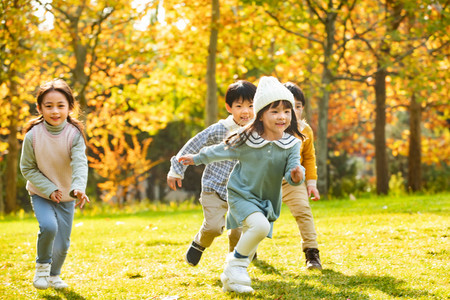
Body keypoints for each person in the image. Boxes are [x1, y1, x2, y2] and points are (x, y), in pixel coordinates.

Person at [179, 76, 306, 293]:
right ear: (261, 114)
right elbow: (220, 150)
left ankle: (232, 280)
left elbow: (292, 172)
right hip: (240, 194)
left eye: (287, 111)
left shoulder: (292, 143)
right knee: (260, 227)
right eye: (274, 111)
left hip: (265, 200)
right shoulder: (248, 138)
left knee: (255, 234)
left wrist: (296, 174)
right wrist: (196, 158)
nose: (282, 116)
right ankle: (234, 266)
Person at [167, 80, 256, 267]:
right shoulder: (220, 129)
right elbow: (195, 143)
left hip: (241, 192)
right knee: (214, 227)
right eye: (239, 106)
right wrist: (177, 169)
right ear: (229, 107)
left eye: (251, 105)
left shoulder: (258, 132)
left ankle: (237, 262)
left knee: (239, 231)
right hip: (214, 188)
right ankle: (199, 243)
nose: (245, 111)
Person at [20, 79, 89, 290]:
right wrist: (49, 189)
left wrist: (78, 187)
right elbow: (27, 169)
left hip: (67, 196)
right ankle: (41, 268)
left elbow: (80, 163)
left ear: (70, 107)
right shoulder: (33, 136)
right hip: (41, 194)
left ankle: (53, 276)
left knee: (62, 244)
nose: (55, 111)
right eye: (48, 106)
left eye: (61, 105)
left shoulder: (74, 135)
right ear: (39, 108)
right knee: (49, 227)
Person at [282, 82, 322, 270]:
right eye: (289, 106)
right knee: (259, 217)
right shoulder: (267, 127)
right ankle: (248, 250)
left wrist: (311, 183)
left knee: (303, 211)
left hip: (293, 181)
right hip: (267, 180)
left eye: (298, 106)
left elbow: (309, 157)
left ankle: (311, 253)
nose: (294, 111)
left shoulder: (305, 130)